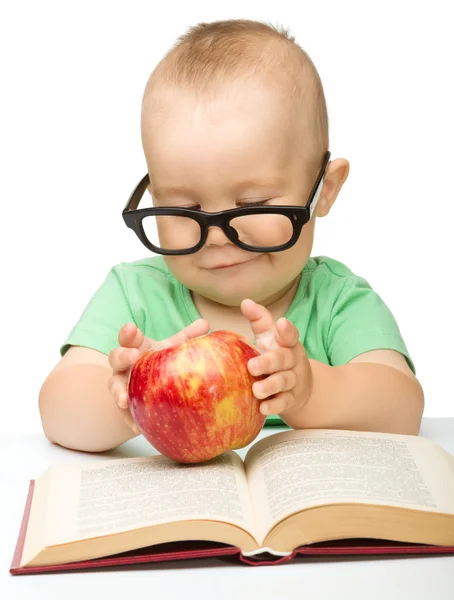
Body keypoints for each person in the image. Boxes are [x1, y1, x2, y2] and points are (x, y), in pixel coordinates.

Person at [38, 19, 424, 453]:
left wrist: (312, 390)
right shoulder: (134, 295)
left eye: (255, 205)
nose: (218, 236)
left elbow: (403, 409)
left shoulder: (338, 301)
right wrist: (126, 400)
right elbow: (57, 409)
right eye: (184, 209)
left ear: (324, 191)